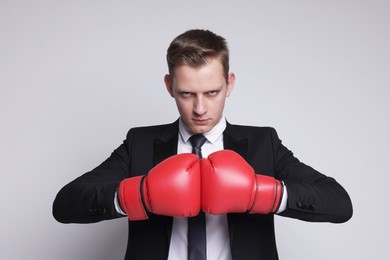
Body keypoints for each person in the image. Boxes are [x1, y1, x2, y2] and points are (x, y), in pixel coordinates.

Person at [53, 29, 353, 260]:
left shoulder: (263, 143)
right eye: (186, 94)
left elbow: (338, 203)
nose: (200, 108)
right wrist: (139, 195)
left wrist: (262, 194)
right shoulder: (141, 143)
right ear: (169, 86)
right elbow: (66, 204)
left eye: (211, 92)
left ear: (229, 84)